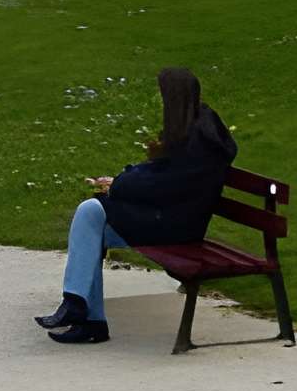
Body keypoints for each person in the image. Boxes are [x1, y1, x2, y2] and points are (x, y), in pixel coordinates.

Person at [37, 66, 237, 346]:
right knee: (90, 214)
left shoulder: (200, 143)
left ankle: (83, 312)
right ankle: (80, 309)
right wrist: (121, 181)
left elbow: (164, 184)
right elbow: (159, 173)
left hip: (173, 227)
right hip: (163, 217)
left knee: (93, 213)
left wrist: (118, 185)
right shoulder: (192, 131)